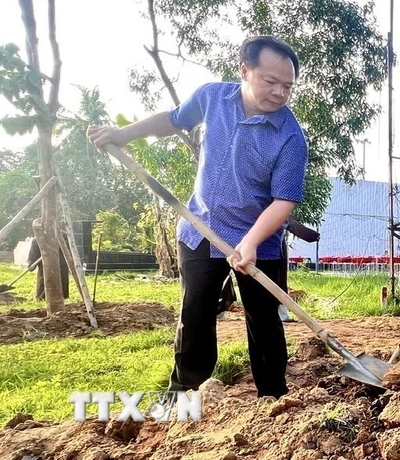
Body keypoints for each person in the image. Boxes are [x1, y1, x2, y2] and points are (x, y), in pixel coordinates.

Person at [88, 36, 307, 399]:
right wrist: (123, 134)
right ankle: (184, 394)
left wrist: (250, 242)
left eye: (287, 86)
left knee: (264, 318)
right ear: (245, 71)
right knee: (196, 315)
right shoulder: (212, 98)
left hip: (260, 238)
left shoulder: (290, 137)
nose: (279, 93)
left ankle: (274, 399)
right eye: (271, 82)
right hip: (202, 228)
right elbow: (173, 121)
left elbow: (284, 202)